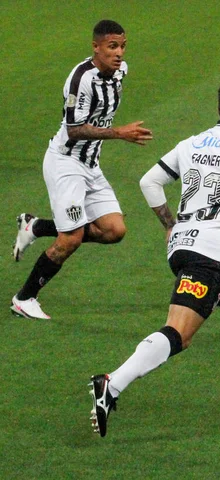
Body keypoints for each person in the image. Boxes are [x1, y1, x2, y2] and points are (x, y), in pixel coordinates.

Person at [89, 75, 220, 437]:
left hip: (184, 246)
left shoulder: (192, 143)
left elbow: (148, 182)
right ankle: (112, 384)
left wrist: (169, 224)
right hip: (208, 256)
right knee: (179, 335)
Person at [11, 20, 153, 319]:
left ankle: (36, 227)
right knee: (71, 239)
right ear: (96, 46)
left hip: (90, 165)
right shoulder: (80, 80)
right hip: (66, 163)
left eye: (123, 46)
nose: (119, 53)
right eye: (112, 46)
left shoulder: (120, 72)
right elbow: (74, 130)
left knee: (114, 230)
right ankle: (24, 298)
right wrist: (119, 133)